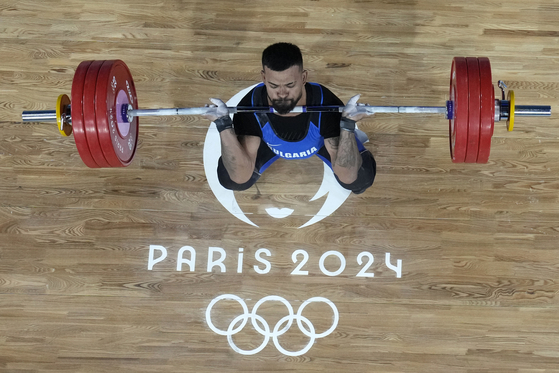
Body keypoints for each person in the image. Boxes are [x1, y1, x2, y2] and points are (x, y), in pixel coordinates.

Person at [204, 42, 376, 194]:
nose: (282, 93)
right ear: (264, 78)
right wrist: (223, 125)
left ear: (303, 78)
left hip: (318, 143)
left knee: (359, 180)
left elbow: (347, 174)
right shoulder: (250, 106)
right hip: (269, 143)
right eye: (273, 85)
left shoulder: (326, 104)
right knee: (231, 180)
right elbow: (239, 175)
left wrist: (347, 126)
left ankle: (352, 140)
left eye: (290, 85)